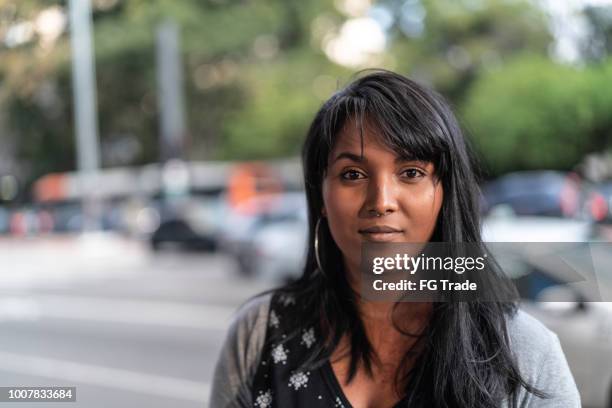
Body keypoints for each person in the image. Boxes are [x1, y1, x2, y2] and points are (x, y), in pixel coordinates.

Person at [209, 70, 581, 408]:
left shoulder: (523, 354)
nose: (382, 201)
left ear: (445, 194)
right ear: (321, 196)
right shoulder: (260, 335)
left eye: (412, 172)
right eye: (352, 174)